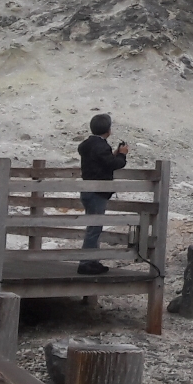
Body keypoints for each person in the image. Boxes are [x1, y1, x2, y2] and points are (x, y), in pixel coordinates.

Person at [76, 113, 129, 274]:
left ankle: (93, 260)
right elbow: (113, 164)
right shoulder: (101, 146)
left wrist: (113, 154)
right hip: (97, 191)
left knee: (94, 226)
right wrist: (122, 154)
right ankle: (86, 262)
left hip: (87, 190)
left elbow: (100, 161)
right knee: (94, 228)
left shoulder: (87, 145)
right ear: (108, 130)